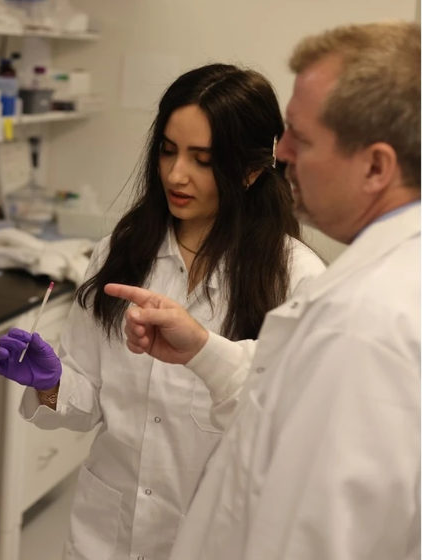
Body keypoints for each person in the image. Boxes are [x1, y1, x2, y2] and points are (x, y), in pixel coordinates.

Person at [107, 21, 420, 560]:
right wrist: (205, 352)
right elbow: (274, 410)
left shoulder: (364, 322)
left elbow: (322, 533)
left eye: (301, 135)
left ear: (375, 166)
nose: (281, 154)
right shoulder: (375, 286)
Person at [0, 63, 326, 560]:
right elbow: (93, 401)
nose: (176, 174)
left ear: (253, 169)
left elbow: (295, 432)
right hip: (106, 534)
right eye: (168, 151)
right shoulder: (122, 252)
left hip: (218, 538)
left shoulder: (294, 278)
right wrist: (52, 380)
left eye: (203, 159)